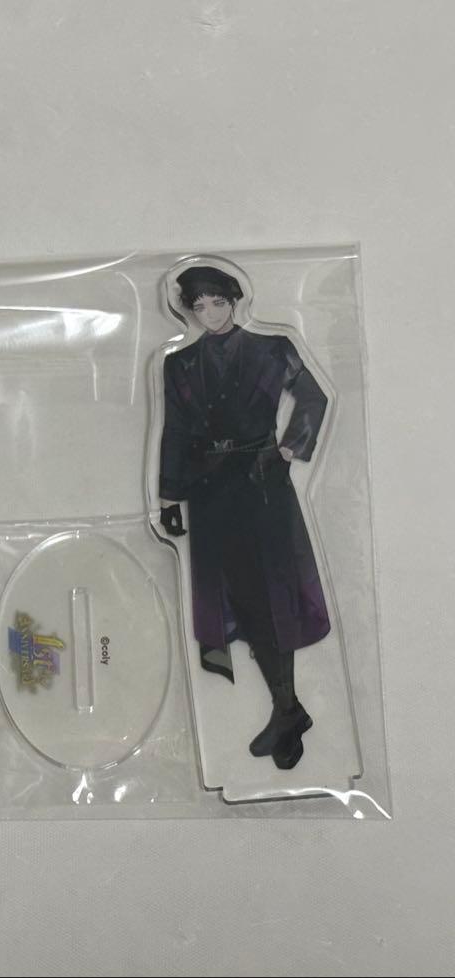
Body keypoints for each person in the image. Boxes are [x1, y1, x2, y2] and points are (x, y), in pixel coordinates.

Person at [157, 263, 329, 770]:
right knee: (239, 597)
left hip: (262, 484)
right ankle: (288, 710)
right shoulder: (179, 363)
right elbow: (175, 430)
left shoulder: (272, 348)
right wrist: (168, 497)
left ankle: (287, 710)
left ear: (235, 300)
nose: (209, 314)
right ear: (189, 312)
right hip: (210, 491)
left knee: (272, 594)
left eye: (217, 302)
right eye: (198, 306)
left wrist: (288, 449)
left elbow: (314, 397)